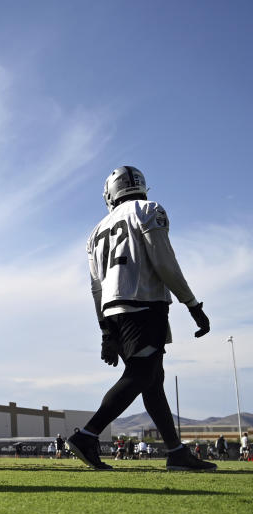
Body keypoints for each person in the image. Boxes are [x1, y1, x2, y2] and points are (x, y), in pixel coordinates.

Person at [67, 166, 215, 471]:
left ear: (110, 192)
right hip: (143, 303)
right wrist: (192, 303)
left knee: (153, 380)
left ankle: (175, 451)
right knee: (142, 373)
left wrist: (106, 330)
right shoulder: (148, 210)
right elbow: (164, 262)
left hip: (113, 308)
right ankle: (87, 435)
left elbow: (96, 287)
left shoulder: (95, 232)